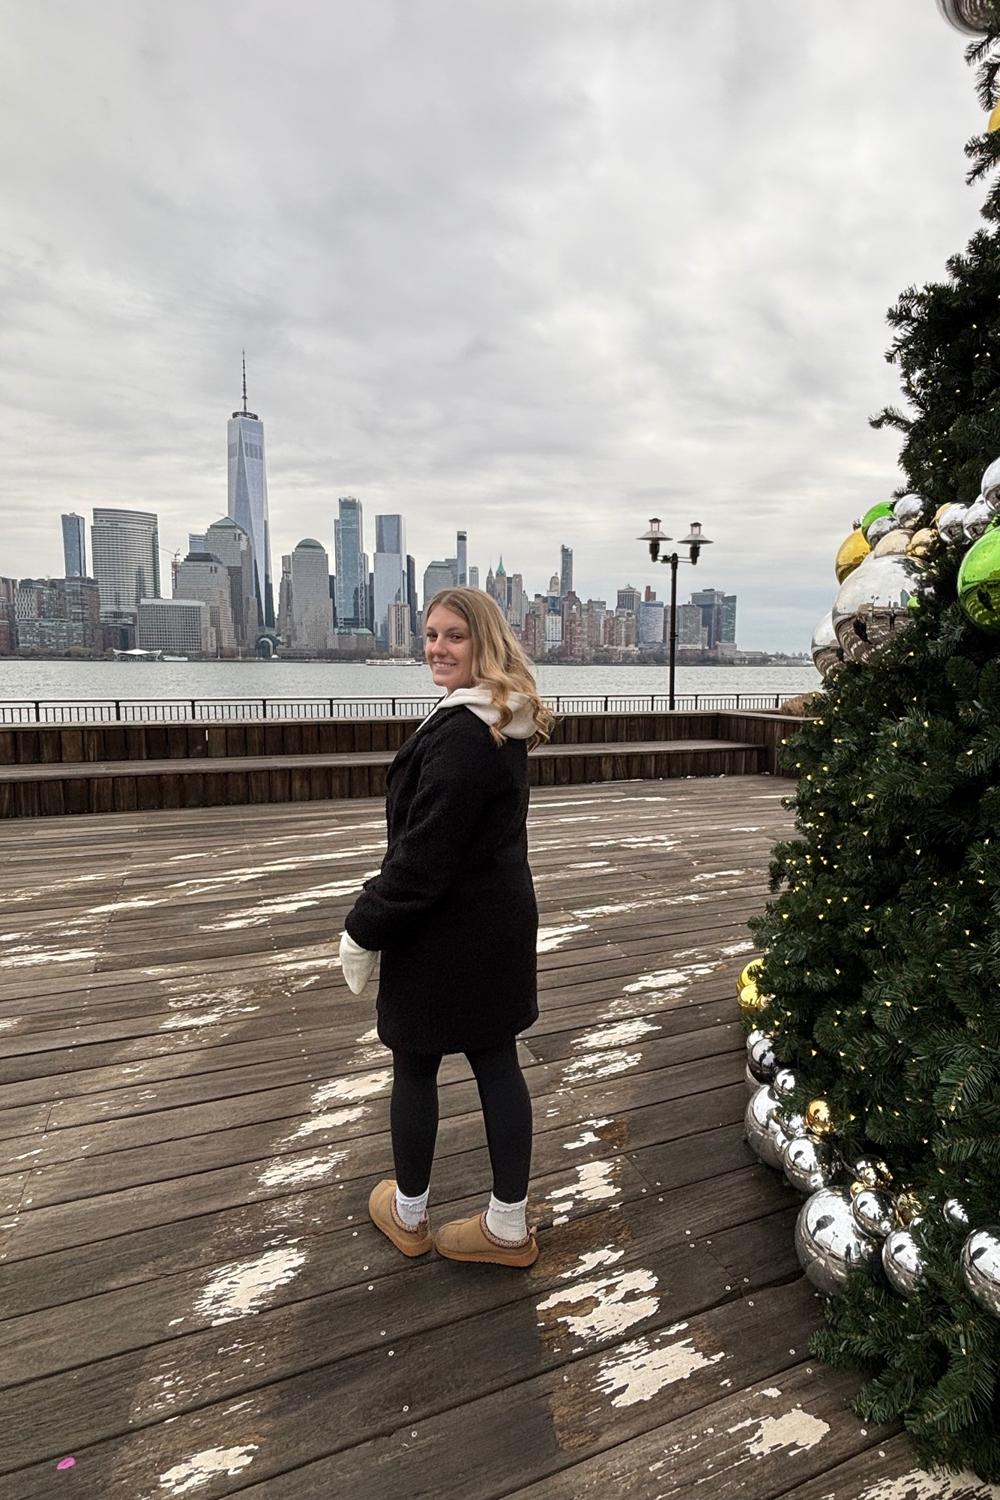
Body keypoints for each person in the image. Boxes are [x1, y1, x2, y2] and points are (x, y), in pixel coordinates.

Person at [339, 587, 554, 1268]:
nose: (437, 648)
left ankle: (408, 1216)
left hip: (442, 933)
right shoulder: (495, 716)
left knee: (415, 1062)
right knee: (495, 1061)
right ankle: (507, 1226)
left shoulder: (463, 735)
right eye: (430, 635)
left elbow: (422, 861)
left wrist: (362, 927)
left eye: (454, 636)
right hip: (495, 923)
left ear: (483, 641)